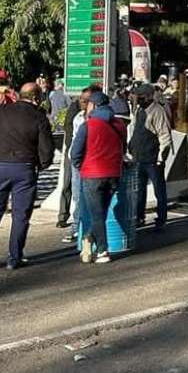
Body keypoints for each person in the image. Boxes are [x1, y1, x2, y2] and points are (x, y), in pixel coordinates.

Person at [0, 83, 54, 270]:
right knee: (20, 215)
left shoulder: (2, 111)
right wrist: (40, 166)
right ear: (36, 98)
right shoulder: (39, 118)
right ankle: (14, 257)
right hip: (25, 168)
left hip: (0, 167)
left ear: (19, 95)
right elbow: (46, 151)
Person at [70, 91, 127, 264]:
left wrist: (82, 167)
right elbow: (123, 148)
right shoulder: (120, 125)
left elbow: (75, 154)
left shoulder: (87, 126)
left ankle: (102, 250)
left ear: (93, 105)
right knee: (101, 212)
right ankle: (88, 238)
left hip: (92, 175)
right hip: (114, 174)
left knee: (96, 214)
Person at [129, 83, 173, 229]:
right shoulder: (139, 110)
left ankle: (161, 218)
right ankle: (139, 217)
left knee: (159, 190)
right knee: (139, 190)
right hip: (138, 157)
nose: (138, 98)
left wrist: (161, 157)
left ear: (148, 96)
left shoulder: (157, 111)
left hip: (153, 159)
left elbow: (164, 135)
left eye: (141, 96)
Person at [60, 87, 92, 242]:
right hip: (76, 161)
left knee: (88, 196)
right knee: (77, 195)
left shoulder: (95, 119)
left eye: (85, 101)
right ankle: (78, 226)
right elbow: (73, 138)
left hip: (89, 161)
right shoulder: (78, 117)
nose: (82, 103)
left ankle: (80, 227)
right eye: (80, 100)